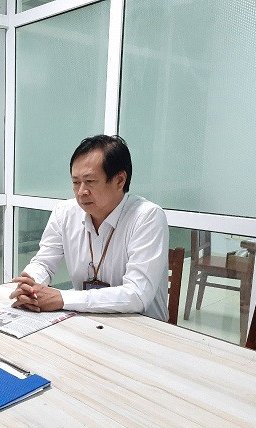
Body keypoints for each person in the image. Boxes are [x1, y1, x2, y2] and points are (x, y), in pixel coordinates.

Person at [10, 134, 169, 322]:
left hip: (142, 327)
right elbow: (44, 262)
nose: (81, 192)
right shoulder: (65, 212)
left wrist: (62, 298)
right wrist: (31, 284)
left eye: (90, 181)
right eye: (76, 182)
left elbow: (136, 295)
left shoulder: (147, 217)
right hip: (86, 320)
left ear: (119, 180)